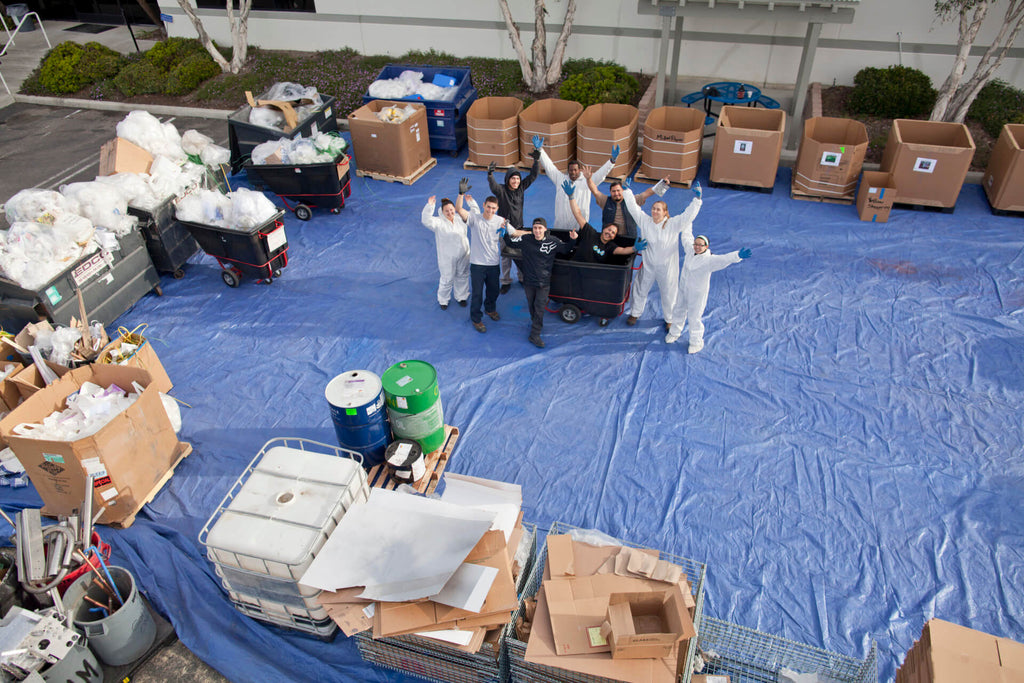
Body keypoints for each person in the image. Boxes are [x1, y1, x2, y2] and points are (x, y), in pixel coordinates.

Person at [622, 181, 704, 331]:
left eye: (658, 210)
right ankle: (635, 313)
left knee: (669, 294)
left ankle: (670, 319)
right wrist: (627, 192)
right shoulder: (646, 221)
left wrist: (697, 201)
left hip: (667, 269)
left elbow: (688, 216)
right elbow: (633, 209)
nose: (654, 211)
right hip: (649, 265)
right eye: (653, 209)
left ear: (665, 212)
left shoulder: (673, 224)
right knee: (640, 288)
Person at [666, 235, 751, 354]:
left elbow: (724, 259)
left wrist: (737, 255)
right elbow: (686, 237)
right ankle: (675, 332)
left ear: (706, 246)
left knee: (694, 317)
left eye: (700, 245)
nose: (697, 247)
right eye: (695, 244)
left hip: (697, 294)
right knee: (678, 310)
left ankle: (696, 342)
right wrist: (687, 221)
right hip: (683, 289)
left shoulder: (709, 260)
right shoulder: (690, 251)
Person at [503, 216, 574, 348]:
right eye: (535, 228)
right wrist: (504, 234)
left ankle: (535, 334)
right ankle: (535, 322)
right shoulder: (526, 239)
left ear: (545, 229)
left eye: (540, 228)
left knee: (539, 308)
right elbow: (511, 243)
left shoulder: (553, 241)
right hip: (529, 282)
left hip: (544, 283)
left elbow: (565, 249)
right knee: (532, 306)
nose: (537, 230)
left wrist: (573, 240)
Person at [455, 178, 506, 333]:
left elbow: (515, 232)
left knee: (494, 290)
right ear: (483, 205)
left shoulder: (500, 221)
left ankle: (490, 309)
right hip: (477, 264)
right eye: (488, 207)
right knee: (477, 293)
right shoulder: (474, 218)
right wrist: (461, 194)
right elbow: (459, 209)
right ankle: (476, 319)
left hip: (493, 264)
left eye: (493, 208)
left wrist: (536, 232)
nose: (490, 210)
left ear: (497, 209)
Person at [487, 146, 540, 294]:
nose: (516, 181)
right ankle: (505, 281)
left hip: (519, 228)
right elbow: (493, 187)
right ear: (508, 179)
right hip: (504, 230)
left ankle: (522, 278)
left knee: (520, 255)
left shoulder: (521, 188)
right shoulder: (502, 191)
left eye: (517, 178)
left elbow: (533, 176)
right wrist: (490, 175)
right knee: (505, 257)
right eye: (513, 178)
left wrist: (536, 160)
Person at [535, 135, 614, 232]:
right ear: (568, 170)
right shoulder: (560, 179)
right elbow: (549, 166)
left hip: (579, 227)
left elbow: (602, 173)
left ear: (579, 170)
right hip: (560, 227)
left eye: (575, 170)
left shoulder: (587, 180)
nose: (573, 172)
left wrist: (611, 161)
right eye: (571, 170)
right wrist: (540, 150)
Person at [562, 180, 646, 265]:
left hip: (590, 275)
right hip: (574, 268)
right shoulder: (590, 233)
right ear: (604, 229)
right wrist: (571, 196)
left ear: (613, 237)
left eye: (613, 233)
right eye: (609, 230)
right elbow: (577, 214)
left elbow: (623, 250)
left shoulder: (610, 247)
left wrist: (635, 248)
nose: (610, 233)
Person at [420, 194, 473, 310]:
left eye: (451, 210)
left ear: (455, 209)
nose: (450, 213)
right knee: (447, 278)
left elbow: (474, 215)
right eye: (447, 211)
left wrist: (469, 201)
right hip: (447, 257)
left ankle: (461, 296)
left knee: (463, 275)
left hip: (463, 254)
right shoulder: (438, 223)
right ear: (442, 212)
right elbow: (425, 219)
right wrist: (430, 206)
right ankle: (443, 299)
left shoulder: (460, 219)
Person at [583, 168, 663, 240]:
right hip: (610, 237)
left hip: (629, 237)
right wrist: (588, 178)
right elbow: (595, 191)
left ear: (623, 191)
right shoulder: (605, 201)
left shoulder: (631, 200)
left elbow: (647, 193)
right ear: (610, 192)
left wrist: (663, 185)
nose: (616, 193)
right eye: (613, 191)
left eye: (618, 191)